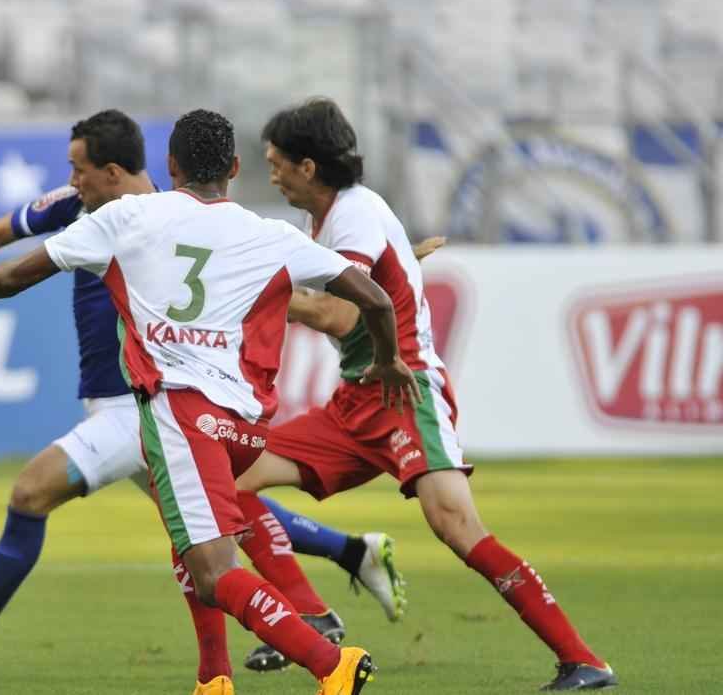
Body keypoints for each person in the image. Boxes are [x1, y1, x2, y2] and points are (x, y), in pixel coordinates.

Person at [0, 110, 408, 691]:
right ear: (236, 168)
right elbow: (373, 299)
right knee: (194, 534)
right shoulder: (268, 233)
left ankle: (330, 662)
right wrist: (389, 357)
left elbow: (21, 272)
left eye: (78, 168)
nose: (73, 178)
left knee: (212, 569)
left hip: (170, 411)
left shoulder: (127, 218)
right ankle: (219, 672)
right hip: (240, 422)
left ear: (169, 166)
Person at [236, 97, 617, 692]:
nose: (273, 175)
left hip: (404, 393)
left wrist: (257, 295)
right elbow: (369, 290)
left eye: (276, 163)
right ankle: (309, 612)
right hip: (354, 404)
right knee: (233, 483)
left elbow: (338, 315)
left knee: (457, 527)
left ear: (307, 167)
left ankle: (583, 660)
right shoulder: (332, 217)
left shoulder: (354, 216)